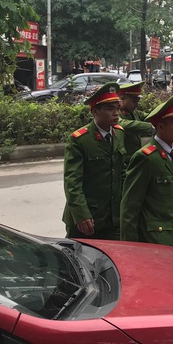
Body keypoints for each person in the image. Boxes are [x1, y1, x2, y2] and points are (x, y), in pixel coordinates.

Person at [120, 93, 173, 249]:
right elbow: (130, 208)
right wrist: (131, 248)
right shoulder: (146, 158)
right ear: (160, 127)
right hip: (154, 240)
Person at [62, 82, 126, 240]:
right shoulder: (80, 140)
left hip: (113, 218)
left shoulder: (119, 134)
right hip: (86, 219)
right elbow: (72, 182)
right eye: (110, 109)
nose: (116, 113)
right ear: (95, 111)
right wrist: (82, 215)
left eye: (117, 108)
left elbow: (121, 173)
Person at [118, 81, 153, 165]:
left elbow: (148, 116)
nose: (136, 105)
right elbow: (123, 123)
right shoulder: (115, 113)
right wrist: (151, 127)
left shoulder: (133, 112)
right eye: (134, 101)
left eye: (138, 101)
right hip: (123, 160)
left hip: (134, 158)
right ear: (122, 99)